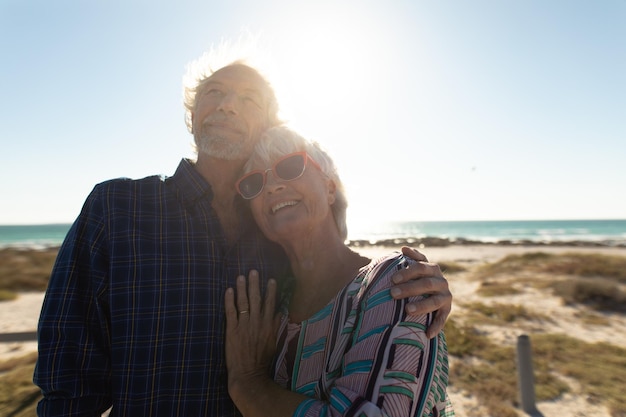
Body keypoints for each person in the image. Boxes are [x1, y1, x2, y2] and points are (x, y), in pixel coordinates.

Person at [34, 50, 452, 416]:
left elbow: (337, 276)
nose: (228, 106)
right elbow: (69, 378)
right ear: (192, 114)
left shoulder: (271, 232)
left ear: (266, 124)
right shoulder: (118, 207)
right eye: (213, 93)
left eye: (248, 99)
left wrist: (412, 280)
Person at [225, 126, 454, 416]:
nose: (271, 186)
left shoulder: (396, 281)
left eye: (289, 166)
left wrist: (249, 385)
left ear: (330, 188)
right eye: (254, 183)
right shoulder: (272, 307)